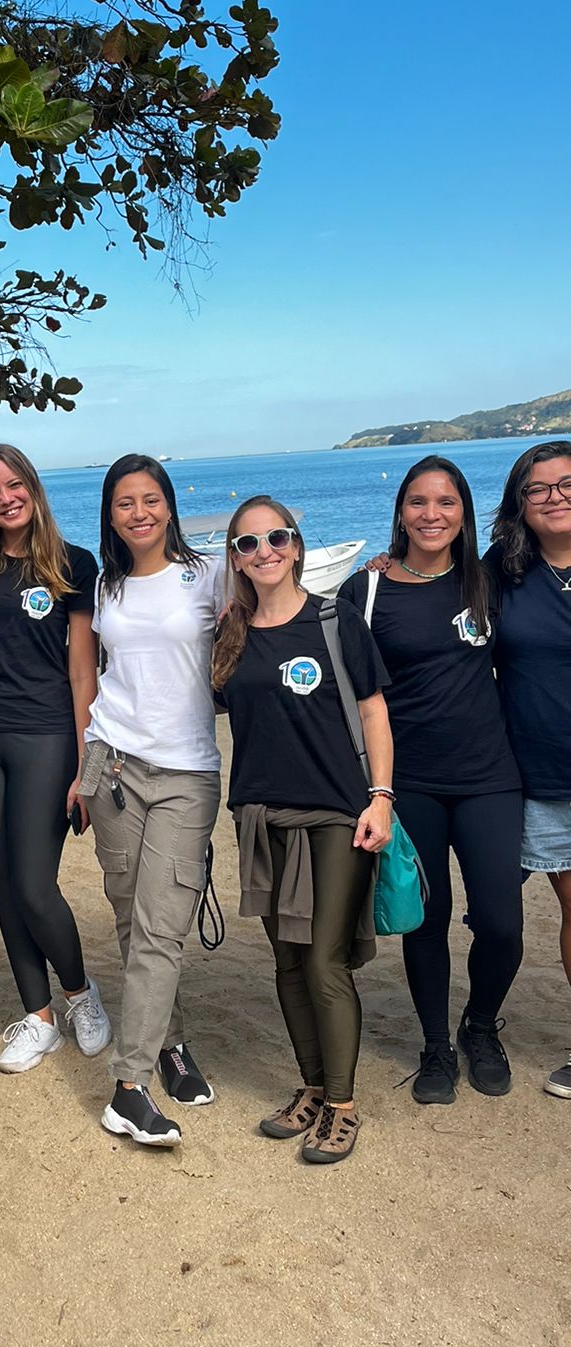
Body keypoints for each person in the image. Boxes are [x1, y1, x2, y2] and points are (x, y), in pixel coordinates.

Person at [212, 496, 393, 1165]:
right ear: (234, 557)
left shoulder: (333, 619)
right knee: (287, 961)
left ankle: (343, 1106)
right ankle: (313, 1087)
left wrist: (382, 798)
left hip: (336, 813)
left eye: (276, 538)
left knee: (323, 960)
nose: (264, 552)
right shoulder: (230, 632)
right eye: (249, 544)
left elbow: (374, 712)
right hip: (261, 815)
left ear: (296, 544)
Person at [340, 457, 522, 1104]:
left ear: (464, 514)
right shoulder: (365, 592)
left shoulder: (491, 578)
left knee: (501, 922)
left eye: (446, 502)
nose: (431, 514)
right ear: (400, 512)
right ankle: (436, 1045)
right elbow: (349, 693)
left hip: (490, 777)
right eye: (418, 501)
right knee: (427, 919)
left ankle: (479, 1026)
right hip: (407, 781)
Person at [79, 455, 227, 1148]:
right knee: (131, 917)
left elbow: (275, 599)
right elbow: (96, 672)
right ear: (110, 515)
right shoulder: (105, 585)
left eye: (150, 500)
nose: (138, 512)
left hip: (185, 774)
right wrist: (83, 765)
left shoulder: (209, 574)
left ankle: (130, 1085)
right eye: (124, 503)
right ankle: (168, 1045)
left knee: (162, 927)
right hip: (110, 764)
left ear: (168, 505)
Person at [0, 445, 112, 1072]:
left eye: (14, 485)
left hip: (45, 737)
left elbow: (82, 675)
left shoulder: (73, 564)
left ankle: (79, 994)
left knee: (34, 885)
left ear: (33, 489)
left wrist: (84, 766)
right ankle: (37, 1016)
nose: (5, 499)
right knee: (3, 881)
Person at [485, 440, 571, 1098]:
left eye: (566, 483)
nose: (554, 496)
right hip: (535, 772)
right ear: (519, 502)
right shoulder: (501, 570)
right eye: (537, 488)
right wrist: (381, 567)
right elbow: (434, 591)